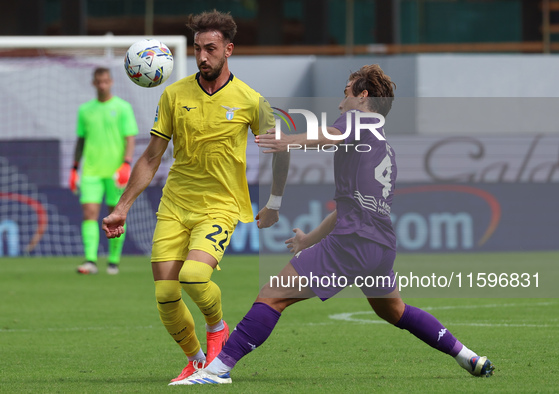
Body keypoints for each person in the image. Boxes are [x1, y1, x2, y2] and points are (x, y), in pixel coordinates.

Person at [171, 64, 495, 385]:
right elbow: (348, 208)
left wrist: (288, 141)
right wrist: (308, 240)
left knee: (272, 296)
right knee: (394, 310)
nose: (340, 104)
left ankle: (216, 371)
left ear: (363, 95)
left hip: (353, 242)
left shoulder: (358, 119)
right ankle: (467, 356)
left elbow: (331, 135)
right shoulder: (385, 147)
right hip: (381, 246)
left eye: (345, 94)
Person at [102, 10, 289, 383]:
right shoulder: (174, 94)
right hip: (174, 205)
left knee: (193, 276)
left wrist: (274, 202)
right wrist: (122, 207)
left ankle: (218, 329)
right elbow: (152, 156)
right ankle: (196, 359)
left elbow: (281, 151)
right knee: (166, 296)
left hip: (220, 206)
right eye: (198, 49)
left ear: (228, 50)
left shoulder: (252, 101)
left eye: (211, 48)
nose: (203, 56)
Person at [70, 67, 138, 275]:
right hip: (91, 171)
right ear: (94, 83)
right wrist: (74, 168)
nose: (102, 85)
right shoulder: (85, 110)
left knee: (115, 215)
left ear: (111, 82)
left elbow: (130, 138)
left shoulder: (123, 107)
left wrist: (126, 164)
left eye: (105, 81)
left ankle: (113, 262)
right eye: (98, 82)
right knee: (89, 213)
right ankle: (90, 260)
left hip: (115, 171)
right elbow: (81, 140)